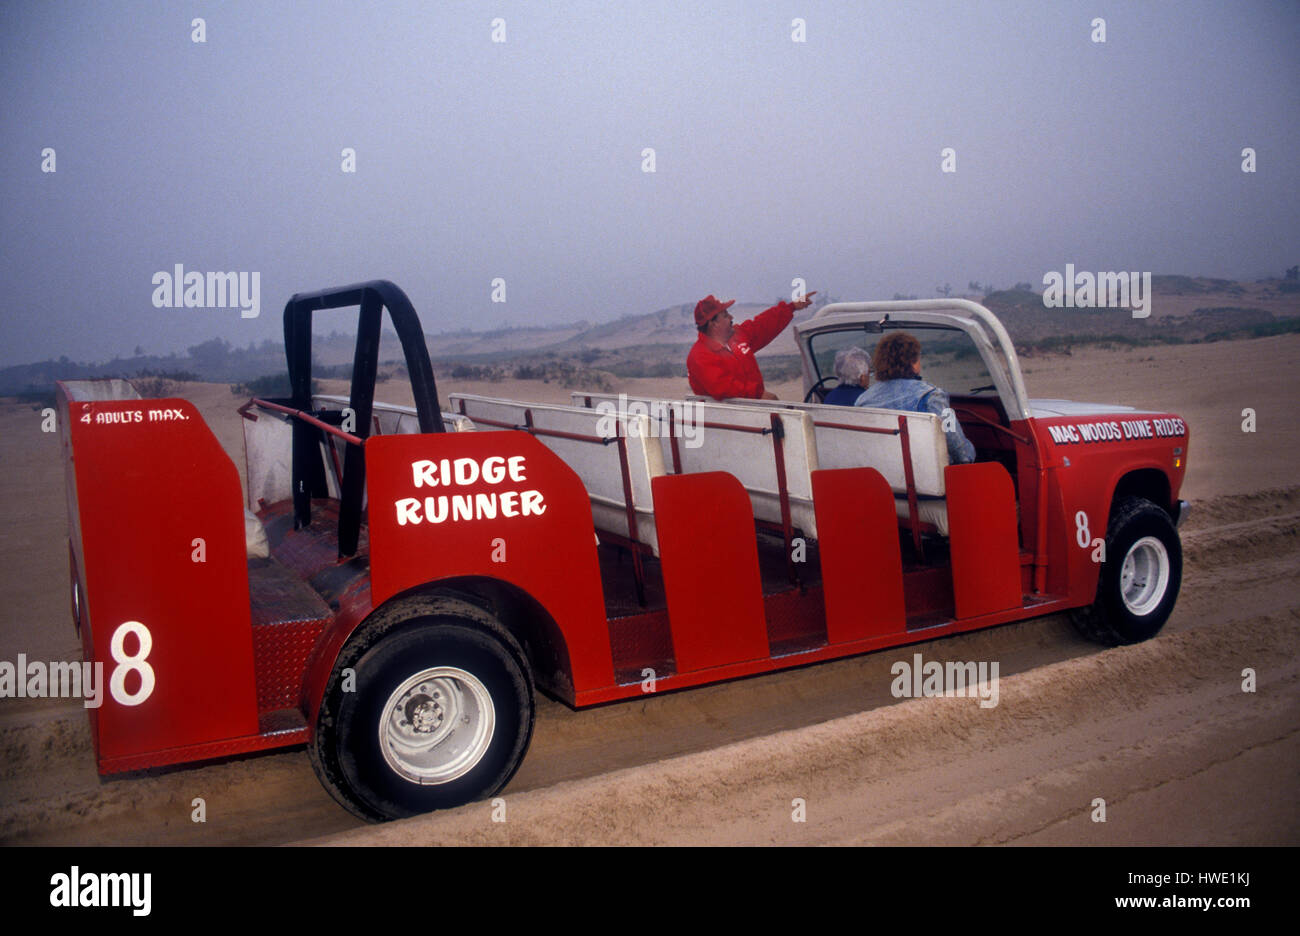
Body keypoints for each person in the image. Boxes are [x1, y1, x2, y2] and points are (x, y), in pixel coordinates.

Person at [855, 331, 976, 464]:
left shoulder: (863, 400)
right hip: (930, 477)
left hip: (883, 473)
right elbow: (959, 449)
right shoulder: (933, 396)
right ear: (913, 362)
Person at [687, 291, 816, 400]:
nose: (731, 317)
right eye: (725, 315)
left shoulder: (738, 336)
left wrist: (791, 307)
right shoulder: (700, 356)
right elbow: (723, 387)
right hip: (726, 422)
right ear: (713, 324)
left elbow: (763, 325)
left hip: (754, 410)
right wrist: (759, 395)